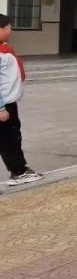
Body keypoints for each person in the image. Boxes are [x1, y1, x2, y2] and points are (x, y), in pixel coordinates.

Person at [0, 14, 41, 187]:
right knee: (9, 139)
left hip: (8, 102)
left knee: (10, 137)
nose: (10, 30)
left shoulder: (4, 50)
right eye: (8, 27)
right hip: (4, 105)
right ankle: (18, 171)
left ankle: (18, 169)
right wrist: (1, 108)